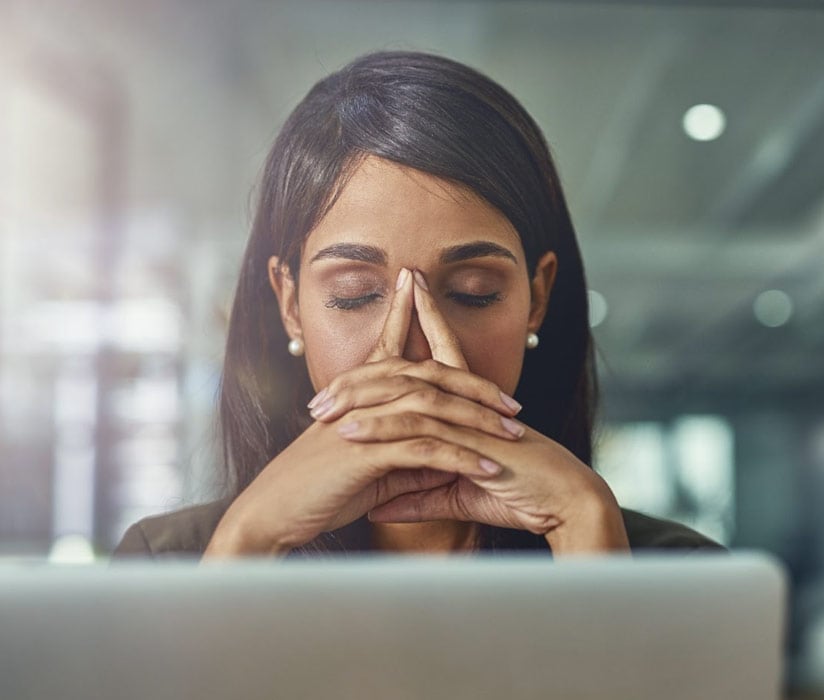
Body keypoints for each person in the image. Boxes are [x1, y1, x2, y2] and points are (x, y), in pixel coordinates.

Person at [114, 51, 719, 558]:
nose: (414, 348)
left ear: (536, 300)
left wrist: (585, 528)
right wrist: (250, 541)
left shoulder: (673, 570)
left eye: (471, 293)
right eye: (355, 295)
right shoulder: (173, 559)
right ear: (291, 304)